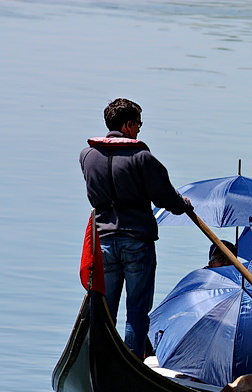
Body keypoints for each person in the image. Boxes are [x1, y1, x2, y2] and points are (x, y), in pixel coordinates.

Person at [80, 98, 192, 358]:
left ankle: (100, 356)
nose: (140, 129)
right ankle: (132, 361)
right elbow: (167, 199)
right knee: (137, 311)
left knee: (105, 309)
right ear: (128, 124)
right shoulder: (142, 158)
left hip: (104, 242)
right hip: (136, 243)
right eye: (138, 124)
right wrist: (182, 204)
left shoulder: (87, 155)